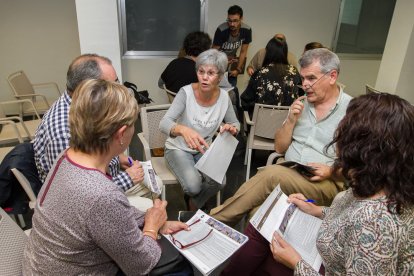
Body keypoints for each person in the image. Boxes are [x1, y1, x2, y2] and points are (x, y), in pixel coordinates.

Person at [223, 93, 414, 275]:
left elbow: (360, 224)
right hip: (332, 253)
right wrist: (315, 210)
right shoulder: (379, 182)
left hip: (325, 265)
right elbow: (349, 214)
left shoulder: (375, 223)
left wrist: (296, 263)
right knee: (262, 227)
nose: (338, 133)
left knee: (264, 219)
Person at [23, 79, 192, 275]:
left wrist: (149, 219)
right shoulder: (101, 194)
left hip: (40, 265)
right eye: (132, 125)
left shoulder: (68, 155)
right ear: (121, 134)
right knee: (179, 268)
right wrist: (152, 227)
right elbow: (141, 264)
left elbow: (108, 217)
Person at [206, 48, 352, 226]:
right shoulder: (301, 104)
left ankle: (212, 221)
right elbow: (279, 148)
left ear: (332, 76)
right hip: (290, 171)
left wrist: (331, 171)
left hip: (324, 182)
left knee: (271, 175)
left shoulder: (353, 112)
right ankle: (243, 248)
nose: (305, 85)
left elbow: (361, 165)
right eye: (303, 78)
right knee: (256, 212)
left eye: (311, 78)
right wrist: (290, 120)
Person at [33, 54, 157, 210]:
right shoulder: (64, 134)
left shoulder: (82, 106)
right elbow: (80, 195)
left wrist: (117, 158)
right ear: (89, 88)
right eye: (111, 85)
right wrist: (128, 178)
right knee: (148, 206)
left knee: (154, 185)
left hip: (102, 180)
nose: (119, 89)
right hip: (84, 203)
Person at [159, 49, 240, 210]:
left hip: (204, 150)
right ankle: (195, 204)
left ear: (220, 76)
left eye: (211, 73)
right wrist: (182, 129)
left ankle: (195, 203)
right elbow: (164, 123)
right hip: (178, 149)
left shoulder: (224, 97)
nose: (204, 77)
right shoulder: (186, 93)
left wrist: (232, 128)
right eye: (201, 71)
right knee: (193, 186)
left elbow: (236, 124)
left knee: (220, 181)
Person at [240, 37, 303, 115]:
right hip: (289, 122)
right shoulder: (294, 72)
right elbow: (301, 96)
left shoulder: (260, 73)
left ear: (267, 52)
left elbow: (246, 100)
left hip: (262, 123)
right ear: (285, 52)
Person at [212, 5, 252, 87]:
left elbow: (243, 52)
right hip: (219, 65)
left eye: (235, 21)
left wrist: (238, 69)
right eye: (229, 21)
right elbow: (213, 52)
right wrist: (222, 62)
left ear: (241, 19)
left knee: (231, 90)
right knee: (216, 90)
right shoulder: (221, 30)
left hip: (232, 64)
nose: (232, 24)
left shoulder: (247, 30)